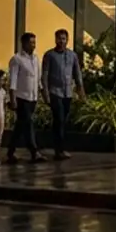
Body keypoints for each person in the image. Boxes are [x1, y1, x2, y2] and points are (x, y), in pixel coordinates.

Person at [40, 28, 85, 161]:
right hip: (55, 92)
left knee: (63, 121)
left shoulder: (72, 55)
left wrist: (81, 90)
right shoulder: (49, 55)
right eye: (59, 38)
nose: (61, 41)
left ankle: (59, 146)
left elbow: (77, 74)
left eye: (63, 38)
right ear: (55, 39)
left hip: (68, 93)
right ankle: (59, 150)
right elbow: (45, 75)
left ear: (67, 40)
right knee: (59, 119)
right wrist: (45, 94)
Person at [8, 31, 42, 163]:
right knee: (28, 123)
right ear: (24, 43)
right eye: (31, 42)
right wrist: (12, 99)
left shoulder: (35, 59)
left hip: (32, 97)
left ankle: (11, 151)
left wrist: (41, 93)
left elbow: (37, 78)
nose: (33, 45)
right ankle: (34, 151)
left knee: (20, 125)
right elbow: (13, 80)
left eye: (34, 42)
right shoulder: (17, 59)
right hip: (21, 98)